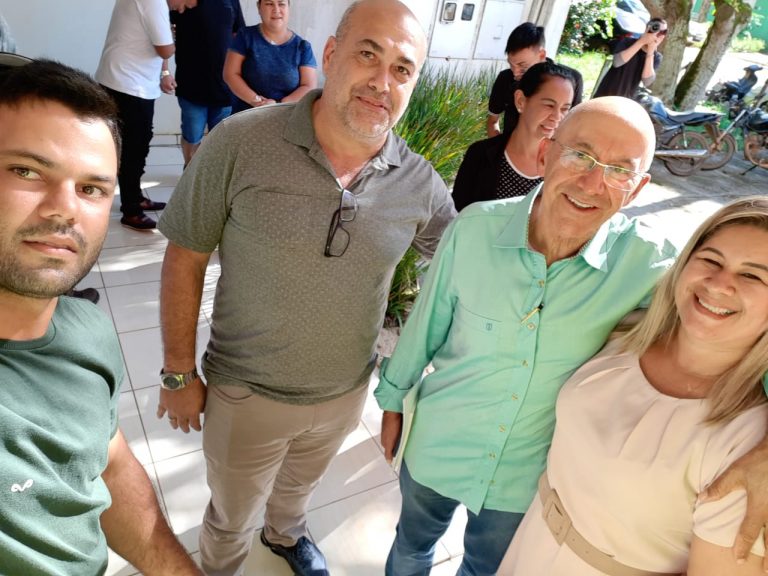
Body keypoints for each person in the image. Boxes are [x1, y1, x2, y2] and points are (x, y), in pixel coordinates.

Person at [156, 1, 455, 575]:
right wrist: (177, 372)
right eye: (368, 54)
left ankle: (286, 536)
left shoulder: (418, 182)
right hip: (245, 395)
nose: (382, 81)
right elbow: (185, 255)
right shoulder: (241, 141)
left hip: (345, 393)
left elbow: (467, 265)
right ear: (331, 54)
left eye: (402, 69)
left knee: (298, 490)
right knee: (231, 516)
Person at [0, 58, 200, 576]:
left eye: (91, 188)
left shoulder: (88, 330)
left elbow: (107, 464)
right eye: (26, 171)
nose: (63, 209)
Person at [500, 197, 768, 576]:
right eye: (711, 260)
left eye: (753, 276)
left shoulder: (748, 445)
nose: (720, 284)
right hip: (529, 546)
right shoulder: (626, 332)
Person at [95, 0, 198, 232]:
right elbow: (165, 49)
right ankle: (131, 210)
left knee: (137, 143)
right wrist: (172, 38)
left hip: (127, 80)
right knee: (133, 147)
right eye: (186, 3)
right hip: (127, 84)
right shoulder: (153, 2)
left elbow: (158, 44)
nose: (183, 9)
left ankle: (135, 197)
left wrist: (165, 62)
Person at [453, 61, 575, 212]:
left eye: (564, 109)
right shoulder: (480, 155)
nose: (557, 117)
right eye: (549, 105)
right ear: (520, 101)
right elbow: (457, 215)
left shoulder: (567, 166)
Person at [171, 0, 245, 165]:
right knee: (192, 137)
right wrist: (164, 72)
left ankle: (212, 176)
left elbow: (238, 35)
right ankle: (190, 173)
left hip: (225, 87)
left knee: (220, 141)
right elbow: (163, 29)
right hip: (191, 85)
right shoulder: (184, 1)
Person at [486, 22, 583, 138]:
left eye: (523, 66)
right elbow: (492, 121)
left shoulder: (571, 80)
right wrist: (498, 146)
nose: (515, 73)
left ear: (541, 55)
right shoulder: (505, 78)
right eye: (511, 65)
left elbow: (573, 127)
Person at [223, 0, 317, 114]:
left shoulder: (302, 46)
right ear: (259, 8)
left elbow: (308, 86)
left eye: (281, 4)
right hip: (245, 116)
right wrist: (257, 101)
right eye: (269, 4)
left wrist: (278, 105)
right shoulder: (245, 36)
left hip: (287, 116)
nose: (276, 10)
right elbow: (230, 74)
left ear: (288, 8)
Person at [592, 18, 667, 99]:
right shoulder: (627, 42)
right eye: (656, 29)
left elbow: (647, 81)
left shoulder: (656, 57)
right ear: (647, 28)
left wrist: (650, 52)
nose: (658, 35)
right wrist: (641, 41)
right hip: (604, 96)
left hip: (626, 101)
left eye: (663, 32)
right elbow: (617, 62)